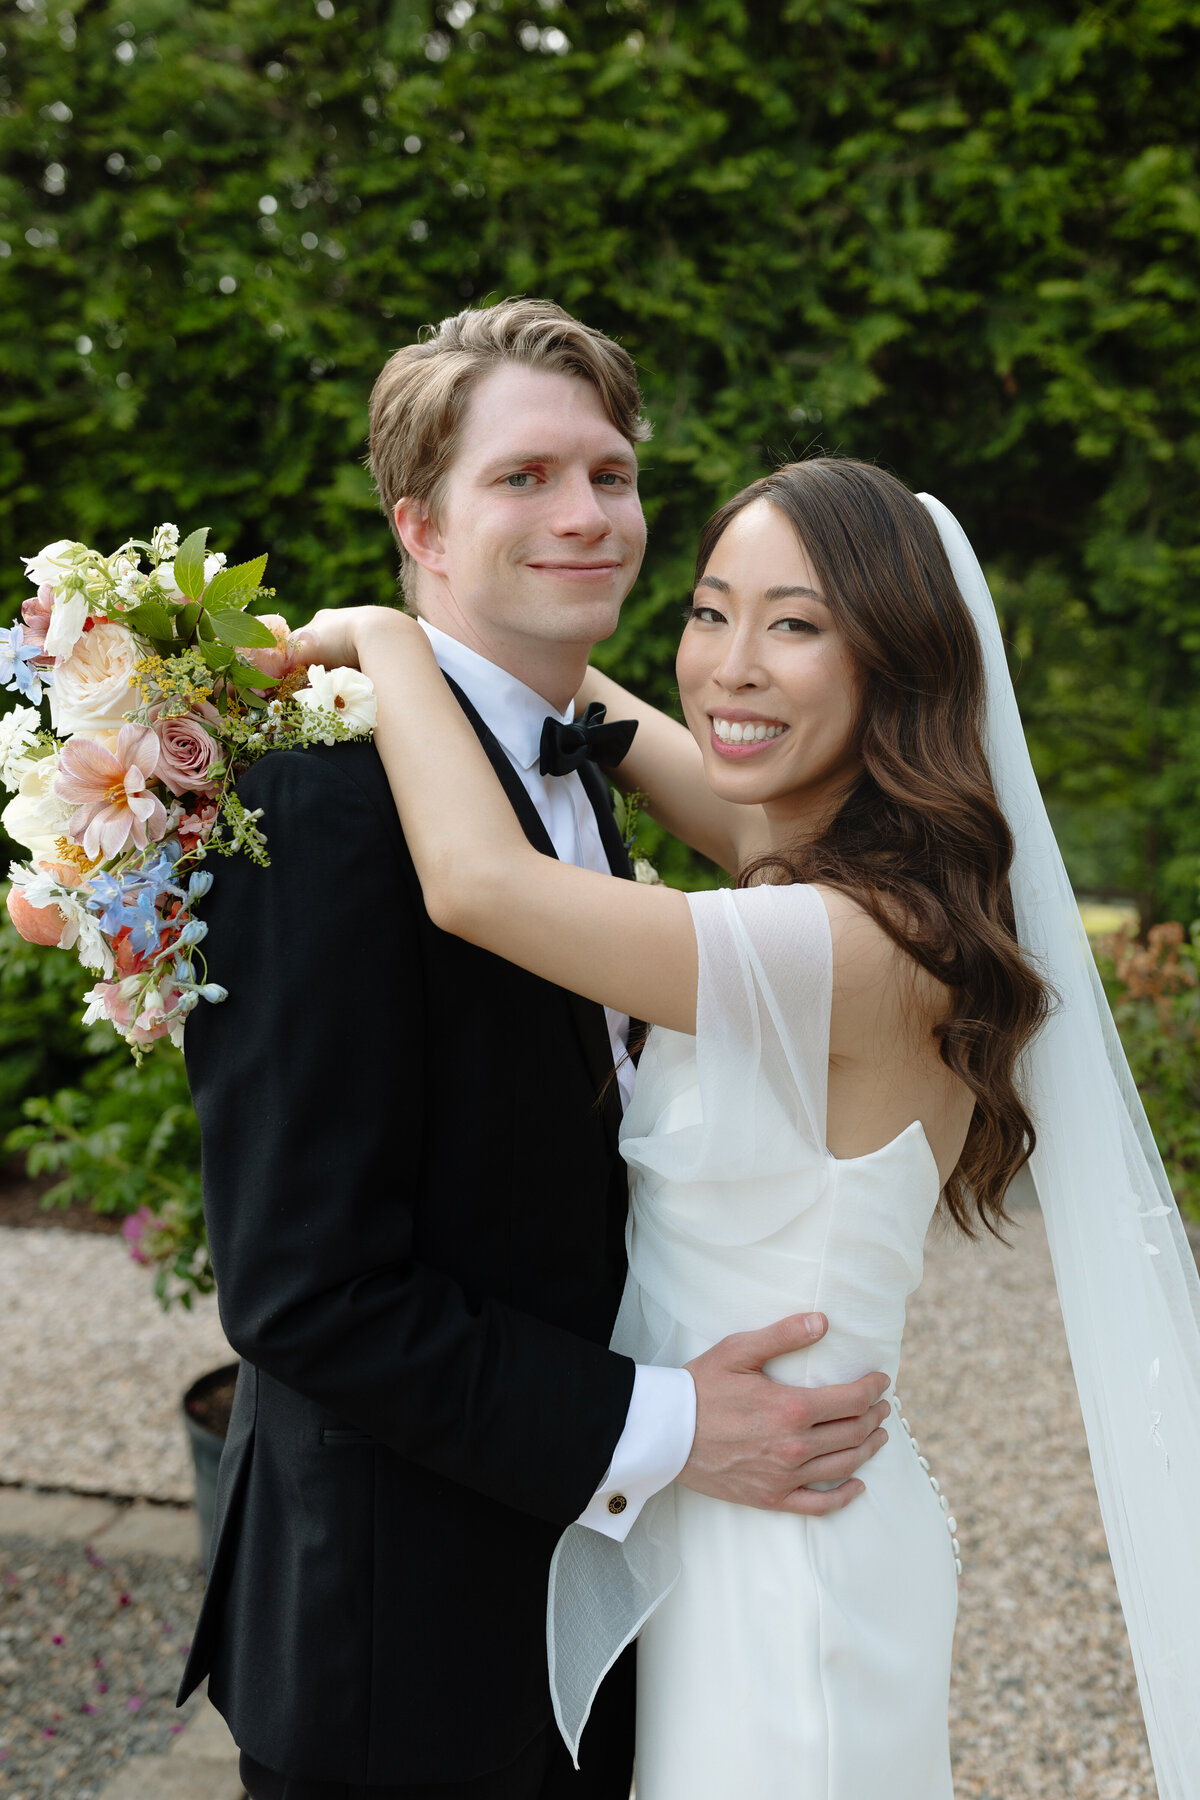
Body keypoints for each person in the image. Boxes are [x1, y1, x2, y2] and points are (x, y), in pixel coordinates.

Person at [295, 455, 1200, 1798]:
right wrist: (489, 620)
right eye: (711, 610)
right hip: (742, 1514)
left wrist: (378, 637)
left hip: (787, 1566)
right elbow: (632, 728)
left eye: (795, 624)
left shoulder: (845, 943)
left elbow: (480, 886)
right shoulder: (839, 880)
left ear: (894, 661)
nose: (728, 666)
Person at [177, 303, 892, 1800]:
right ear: (416, 523)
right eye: (526, 478)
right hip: (405, 1647)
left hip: (596, 1601)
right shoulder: (320, 807)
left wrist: (394, 644)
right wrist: (685, 1425)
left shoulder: (584, 762)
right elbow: (307, 1294)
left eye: (613, 476)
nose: (586, 514)